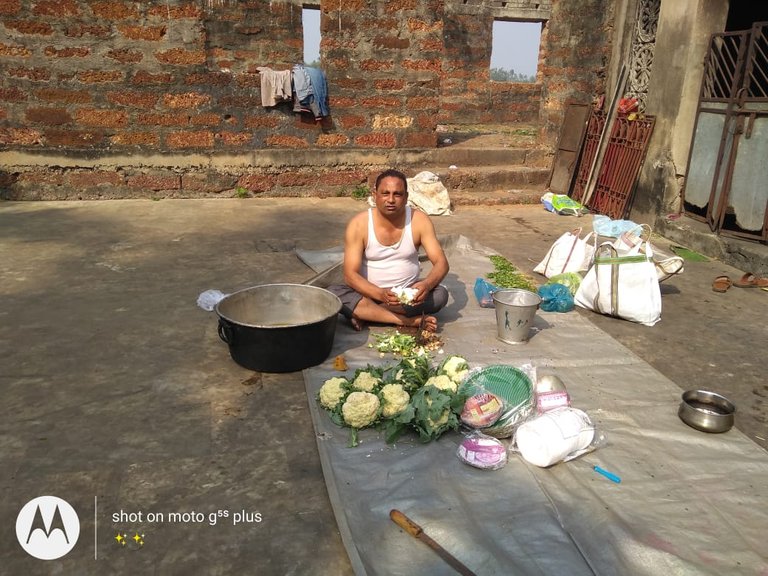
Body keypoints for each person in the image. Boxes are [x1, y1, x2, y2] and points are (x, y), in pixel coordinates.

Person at [328, 169, 449, 332]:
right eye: (385, 193)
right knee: (333, 294)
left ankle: (366, 314)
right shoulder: (359, 224)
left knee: (440, 295)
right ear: (374, 195)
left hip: (406, 297)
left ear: (406, 197)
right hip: (368, 294)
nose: (391, 200)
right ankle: (405, 320)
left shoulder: (419, 221)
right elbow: (350, 276)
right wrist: (380, 294)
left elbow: (441, 263)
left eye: (397, 194)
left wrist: (426, 285)